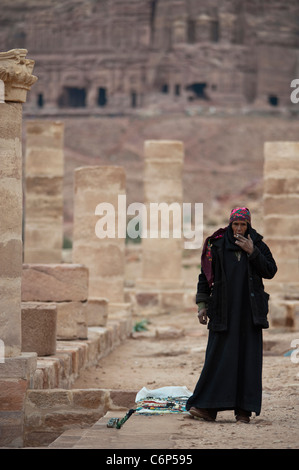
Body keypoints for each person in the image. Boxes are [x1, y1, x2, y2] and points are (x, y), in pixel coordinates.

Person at [186, 207, 277, 423]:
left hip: (249, 313)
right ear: (229, 224)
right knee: (218, 359)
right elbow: (205, 276)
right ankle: (208, 408)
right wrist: (202, 304)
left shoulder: (258, 244)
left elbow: (271, 271)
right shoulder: (216, 244)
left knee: (248, 359)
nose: (238, 229)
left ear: (248, 225)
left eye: (242, 225)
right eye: (235, 224)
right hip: (223, 311)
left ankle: (243, 411)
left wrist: (252, 252)